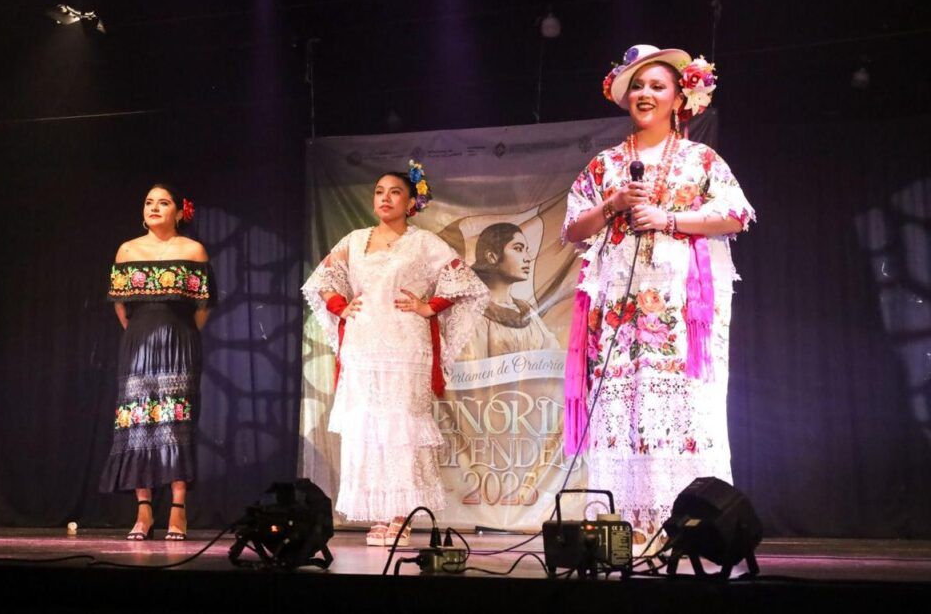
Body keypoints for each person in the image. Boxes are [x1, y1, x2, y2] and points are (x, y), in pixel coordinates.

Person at [562, 45, 755, 546]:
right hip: (617, 310)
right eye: (638, 86)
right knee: (622, 408)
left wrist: (670, 219)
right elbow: (571, 229)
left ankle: (688, 526)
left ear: (678, 98)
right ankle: (623, 524)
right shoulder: (604, 165)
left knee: (681, 407)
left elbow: (737, 215)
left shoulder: (701, 159)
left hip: (678, 307)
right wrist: (614, 204)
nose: (646, 94)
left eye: (657, 86)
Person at [302, 161, 488, 546]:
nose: (385, 198)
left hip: (406, 346)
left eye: (395, 192)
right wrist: (341, 306)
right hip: (364, 346)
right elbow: (322, 280)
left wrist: (429, 306)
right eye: (379, 192)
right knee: (367, 429)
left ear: (411, 202)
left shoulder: (424, 243)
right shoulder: (354, 240)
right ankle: (379, 513)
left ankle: (401, 514)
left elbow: (465, 283)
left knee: (401, 426)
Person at [101, 184, 215, 541]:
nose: (154, 207)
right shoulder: (128, 249)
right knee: (138, 420)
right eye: (148, 201)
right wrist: (141, 332)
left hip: (180, 341)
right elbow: (121, 306)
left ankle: (178, 509)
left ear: (180, 212)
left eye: (163, 202)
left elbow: (203, 307)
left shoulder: (192, 250)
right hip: (137, 343)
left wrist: (177, 332)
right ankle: (144, 509)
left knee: (175, 419)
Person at [465, 222, 559, 359]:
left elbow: (553, 354)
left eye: (526, 250)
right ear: (492, 257)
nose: (527, 258)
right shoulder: (472, 312)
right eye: (518, 249)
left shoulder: (527, 312)